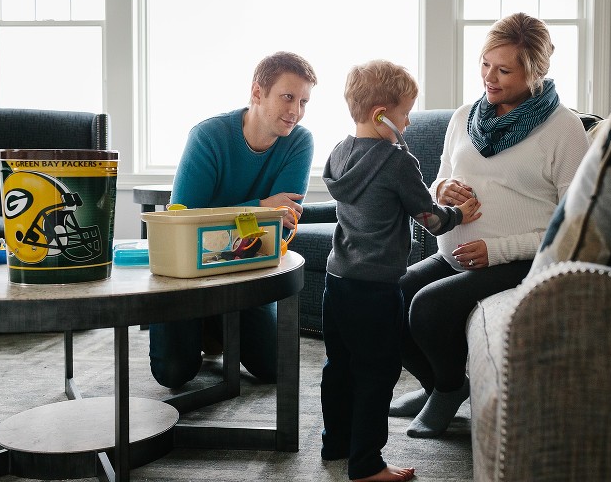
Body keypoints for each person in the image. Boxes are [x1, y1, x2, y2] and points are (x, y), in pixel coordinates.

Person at [389, 12, 590, 438]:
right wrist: (443, 191)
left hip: (518, 262)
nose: (489, 77)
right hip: (456, 254)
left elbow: (574, 225)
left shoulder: (565, 129)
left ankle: (445, 391)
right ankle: (439, 386)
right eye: (485, 64)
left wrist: (496, 251)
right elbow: (439, 177)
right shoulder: (464, 116)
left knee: (428, 307)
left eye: (504, 70)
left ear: (536, 71)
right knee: (387, 297)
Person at [320, 60, 481, 482]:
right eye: (406, 113)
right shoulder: (396, 161)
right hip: (375, 286)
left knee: (339, 365)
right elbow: (428, 218)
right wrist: (459, 212)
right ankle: (367, 465)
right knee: (377, 371)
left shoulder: (339, 152)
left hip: (336, 279)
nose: (409, 122)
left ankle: (335, 442)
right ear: (381, 116)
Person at [148, 51, 317, 389]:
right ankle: (207, 323)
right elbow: (182, 220)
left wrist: (249, 213)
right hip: (189, 275)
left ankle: (216, 325)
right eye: (288, 97)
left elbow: (280, 224)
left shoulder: (299, 141)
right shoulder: (208, 136)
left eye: (303, 102)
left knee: (275, 369)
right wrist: (260, 207)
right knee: (172, 375)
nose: (295, 112)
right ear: (257, 92)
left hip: (247, 268)